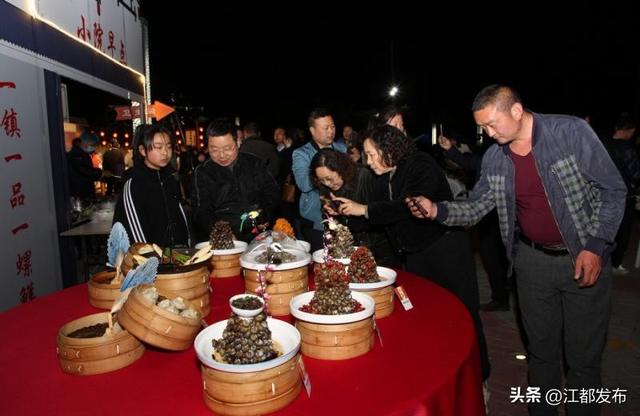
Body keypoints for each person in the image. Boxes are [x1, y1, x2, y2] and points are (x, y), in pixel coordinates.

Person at [409, 85, 626, 415]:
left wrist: (596, 246)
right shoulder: (496, 158)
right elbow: (478, 206)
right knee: (540, 354)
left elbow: (613, 191)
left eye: (493, 124)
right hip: (531, 263)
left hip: (583, 259)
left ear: (516, 110)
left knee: (583, 359)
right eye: (483, 127)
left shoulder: (569, 133)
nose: (488, 133)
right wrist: (436, 210)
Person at [333, 125, 490, 382]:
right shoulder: (383, 178)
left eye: (372, 154)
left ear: (390, 150)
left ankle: (478, 376)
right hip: (415, 256)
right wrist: (344, 214)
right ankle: (440, 372)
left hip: (446, 250)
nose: (368, 161)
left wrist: (364, 210)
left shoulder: (421, 164)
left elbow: (406, 207)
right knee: (429, 317)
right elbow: (376, 215)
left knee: (463, 316)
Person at [438, 134, 511, 311]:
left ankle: (503, 296)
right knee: (491, 257)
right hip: (486, 213)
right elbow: (471, 164)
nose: (489, 132)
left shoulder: (508, 153)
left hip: (503, 216)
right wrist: (451, 150)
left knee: (500, 258)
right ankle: (500, 298)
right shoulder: (490, 154)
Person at [191, 118, 279, 243]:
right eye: (214, 150)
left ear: (238, 142)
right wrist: (221, 233)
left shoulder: (254, 163)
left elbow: (272, 192)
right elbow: (201, 211)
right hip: (223, 239)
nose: (221, 155)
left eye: (227, 148)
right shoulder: (202, 172)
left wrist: (264, 215)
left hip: (257, 237)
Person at [310, 148, 397, 267]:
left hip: (376, 250)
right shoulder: (325, 186)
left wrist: (357, 211)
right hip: (347, 250)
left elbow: (382, 216)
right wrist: (330, 214)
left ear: (341, 169)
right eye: (321, 180)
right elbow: (331, 227)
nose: (327, 184)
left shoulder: (363, 176)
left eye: (330, 178)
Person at [113, 124, 190, 247]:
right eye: (158, 147)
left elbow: (179, 215)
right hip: (150, 260)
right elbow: (134, 231)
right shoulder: (134, 183)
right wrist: (151, 261)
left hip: (176, 255)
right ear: (143, 151)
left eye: (169, 147)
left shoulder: (170, 178)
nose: (165, 152)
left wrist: (186, 245)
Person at [292, 108, 347, 251]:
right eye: (325, 128)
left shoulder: (342, 149)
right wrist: (326, 174)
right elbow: (304, 184)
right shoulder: (301, 154)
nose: (331, 131)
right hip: (316, 220)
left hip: (344, 216)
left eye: (333, 126)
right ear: (312, 130)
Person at [604, 112, 639, 275]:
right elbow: (636, 174)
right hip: (623, 196)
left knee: (606, 229)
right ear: (630, 130)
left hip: (603, 194)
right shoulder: (627, 148)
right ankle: (615, 264)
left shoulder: (602, 144)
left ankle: (603, 260)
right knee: (622, 231)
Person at [67, 132, 104, 200]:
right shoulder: (75, 155)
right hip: (80, 194)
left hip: (84, 192)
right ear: (85, 143)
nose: (94, 148)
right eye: (93, 145)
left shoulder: (83, 153)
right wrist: (101, 173)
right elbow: (84, 170)